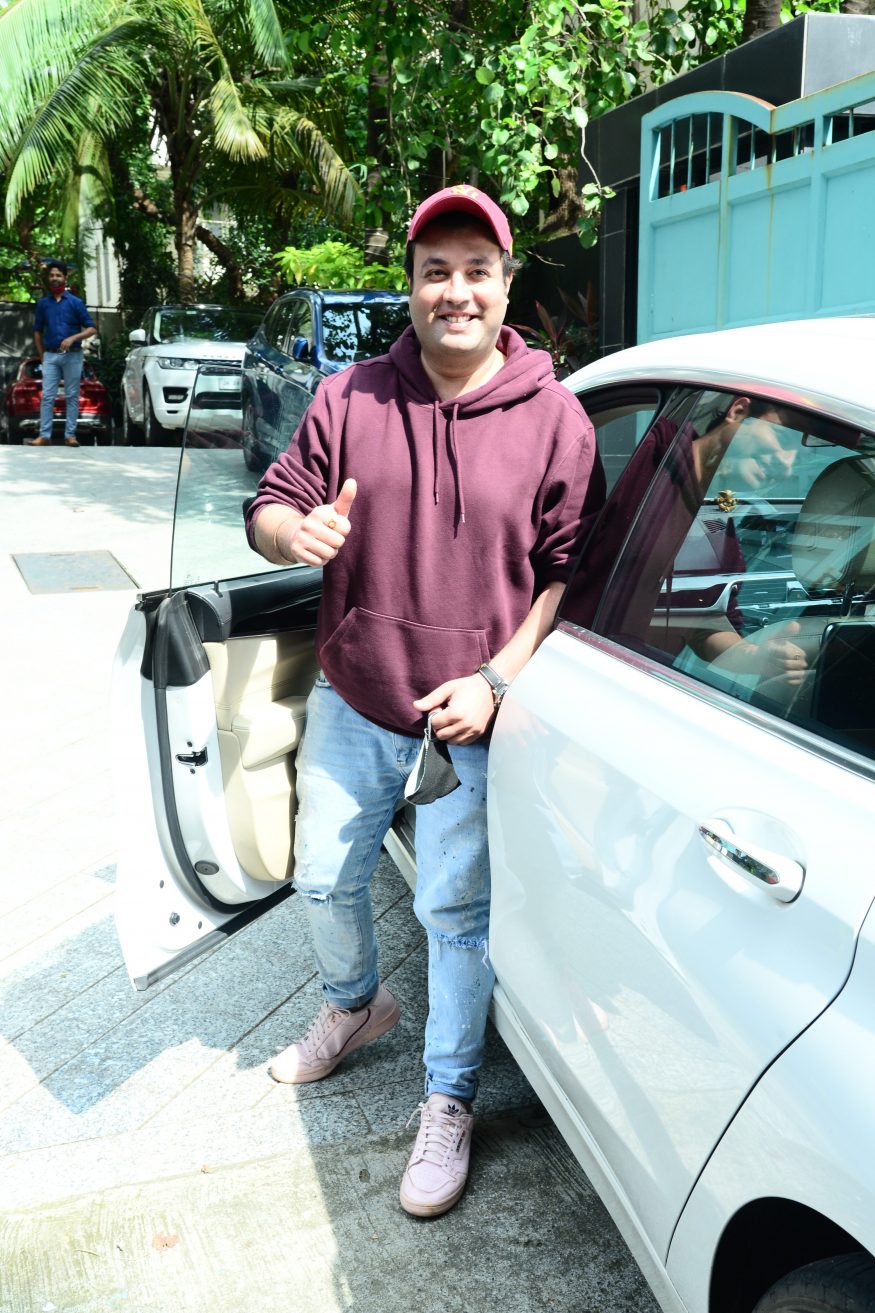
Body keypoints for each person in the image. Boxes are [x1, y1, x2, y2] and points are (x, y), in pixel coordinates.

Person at [244, 184, 604, 1217]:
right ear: (408, 286)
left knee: (453, 911)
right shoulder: (349, 398)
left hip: (468, 713)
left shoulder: (554, 419)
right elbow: (271, 503)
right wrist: (291, 536)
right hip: (356, 694)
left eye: (474, 270)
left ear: (504, 286)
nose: (455, 290)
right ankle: (355, 1004)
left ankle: (445, 1096)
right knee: (319, 876)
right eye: (433, 270)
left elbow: (568, 573)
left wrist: (497, 678)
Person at [31, 260, 96, 447]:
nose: (54, 278)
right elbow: (37, 330)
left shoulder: (75, 302)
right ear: (48, 279)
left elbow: (91, 329)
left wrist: (73, 338)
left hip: (73, 355)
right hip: (50, 356)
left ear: (65, 278)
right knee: (48, 396)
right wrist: (42, 355)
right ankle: (44, 436)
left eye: (58, 275)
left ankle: (70, 436)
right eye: (52, 275)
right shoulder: (43, 304)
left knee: (72, 395)